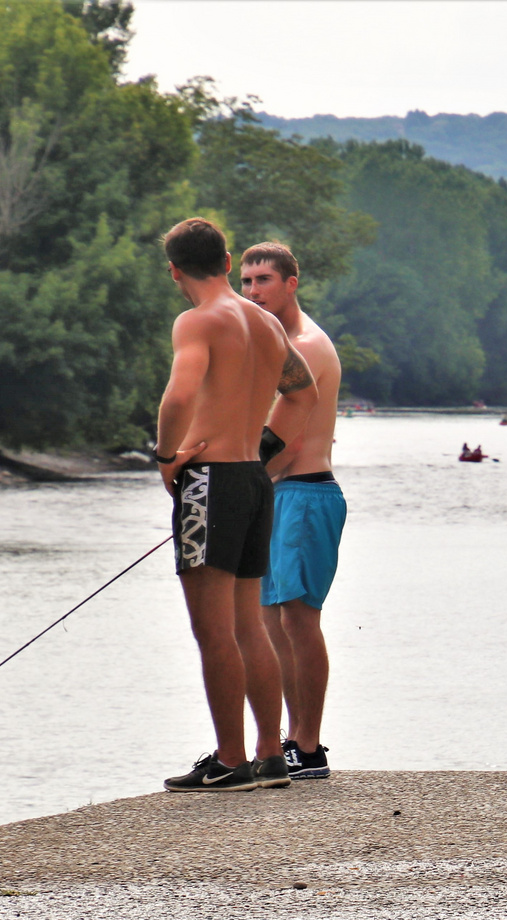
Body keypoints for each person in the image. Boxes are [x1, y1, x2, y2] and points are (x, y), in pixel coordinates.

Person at [153, 219, 317, 792]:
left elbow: (179, 393)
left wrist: (167, 456)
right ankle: (271, 754)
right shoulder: (267, 323)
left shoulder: (196, 322)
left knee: (213, 629)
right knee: (250, 622)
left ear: (174, 270)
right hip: (252, 479)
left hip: (207, 482)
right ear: (226, 261)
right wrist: (262, 452)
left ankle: (230, 759)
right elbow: (302, 395)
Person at [239, 242, 347, 780]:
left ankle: (310, 745)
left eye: (263, 280)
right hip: (273, 493)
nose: (253, 291)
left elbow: (280, 441)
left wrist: (236, 484)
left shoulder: (307, 347)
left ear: (291, 283)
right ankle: (282, 741)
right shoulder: (268, 345)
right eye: (246, 282)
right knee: (266, 621)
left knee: (298, 619)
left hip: (306, 492)